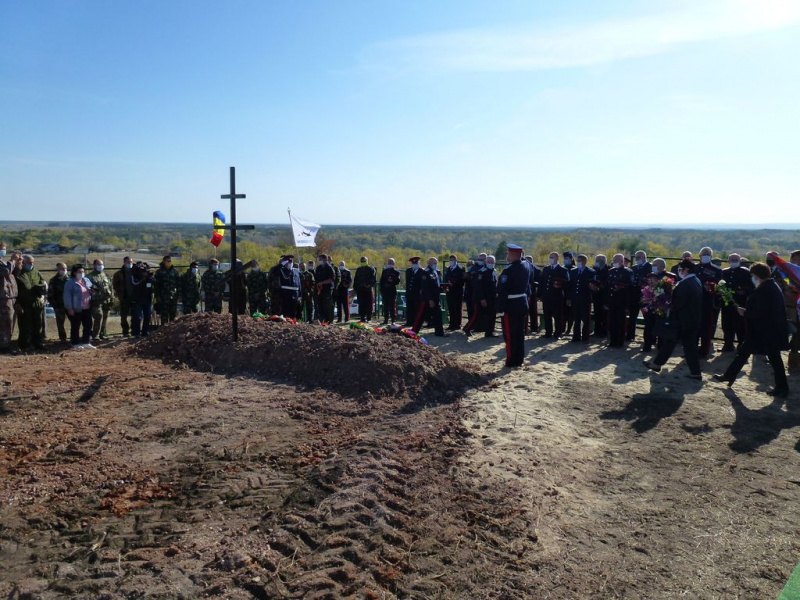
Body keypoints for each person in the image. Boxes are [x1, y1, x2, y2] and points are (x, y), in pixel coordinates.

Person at [714, 262, 789, 397]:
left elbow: (761, 312)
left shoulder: (766, 289)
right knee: (744, 353)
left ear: (757, 275)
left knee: (774, 359)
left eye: (753, 275)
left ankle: (782, 388)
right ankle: (729, 376)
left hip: (766, 330)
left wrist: (745, 312)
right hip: (764, 329)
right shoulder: (770, 286)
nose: (752, 278)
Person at [644, 259, 702, 379]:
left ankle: (695, 372)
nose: (679, 271)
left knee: (685, 345)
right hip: (689, 319)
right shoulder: (695, 281)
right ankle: (657, 364)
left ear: (686, 270)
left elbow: (679, 302)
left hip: (684, 320)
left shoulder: (686, 283)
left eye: (681, 269)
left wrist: (666, 306)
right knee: (672, 342)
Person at [497, 244, 532, 367]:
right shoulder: (526, 265)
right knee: (519, 334)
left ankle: (511, 360)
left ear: (512, 255)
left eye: (508, 254)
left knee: (510, 335)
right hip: (522, 303)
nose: (507, 256)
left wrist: (501, 308)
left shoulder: (509, 270)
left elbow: (502, 291)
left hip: (510, 306)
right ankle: (519, 359)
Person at [720, 253, 753, 352]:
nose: (734, 261)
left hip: (740, 303)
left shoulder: (746, 272)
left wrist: (744, 291)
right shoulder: (724, 272)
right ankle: (728, 345)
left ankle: (741, 346)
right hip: (727, 303)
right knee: (726, 324)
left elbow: (751, 287)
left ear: (740, 261)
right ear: (728, 261)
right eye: (732, 259)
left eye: (736, 259)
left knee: (740, 326)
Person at [14, 254, 47, 352]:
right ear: (23, 262)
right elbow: (15, 289)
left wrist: (40, 288)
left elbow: (43, 282)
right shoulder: (18, 273)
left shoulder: (36, 272)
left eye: (32, 262)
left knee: (38, 324)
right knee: (25, 325)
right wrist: (17, 303)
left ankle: (37, 343)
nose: (31, 264)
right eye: (29, 262)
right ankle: (25, 345)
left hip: (36, 302)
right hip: (24, 303)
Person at [696, 246, 723, 357]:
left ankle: (703, 351)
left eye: (708, 254)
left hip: (708, 302)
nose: (706, 256)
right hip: (694, 301)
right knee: (694, 327)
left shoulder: (716, 270)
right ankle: (691, 349)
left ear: (711, 256)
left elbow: (720, 285)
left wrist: (712, 287)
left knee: (706, 328)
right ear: (699, 256)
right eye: (704, 254)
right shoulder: (694, 267)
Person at [463, 255, 498, 338]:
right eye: (489, 261)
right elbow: (478, 287)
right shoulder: (481, 272)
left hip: (491, 297)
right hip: (481, 298)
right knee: (477, 315)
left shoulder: (494, 271)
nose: (490, 263)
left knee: (492, 315)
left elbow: (495, 284)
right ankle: (467, 328)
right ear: (485, 262)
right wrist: (482, 299)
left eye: (492, 262)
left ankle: (489, 332)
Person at [640, 258, 670, 352]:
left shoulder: (669, 276)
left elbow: (669, 292)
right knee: (648, 326)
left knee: (661, 327)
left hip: (662, 306)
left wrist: (658, 292)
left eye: (655, 265)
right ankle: (647, 346)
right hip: (650, 305)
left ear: (662, 266)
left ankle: (660, 347)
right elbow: (645, 288)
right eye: (653, 265)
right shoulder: (650, 275)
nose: (653, 267)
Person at [538, 252, 569, 338]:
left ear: (557, 259)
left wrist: (560, 286)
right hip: (546, 296)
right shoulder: (546, 269)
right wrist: (539, 294)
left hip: (557, 297)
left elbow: (567, 283)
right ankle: (548, 332)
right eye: (550, 257)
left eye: (552, 257)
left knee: (557, 316)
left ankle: (558, 333)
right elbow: (542, 282)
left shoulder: (563, 270)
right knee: (547, 315)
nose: (550, 259)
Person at [63, 263, 95, 349]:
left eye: (83, 271)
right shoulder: (70, 283)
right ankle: (75, 343)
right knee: (75, 325)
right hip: (76, 308)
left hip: (87, 307)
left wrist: (93, 291)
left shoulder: (86, 280)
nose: (82, 273)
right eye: (79, 272)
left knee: (88, 325)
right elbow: (67, 296)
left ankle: (86, 341)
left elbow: (90, 289)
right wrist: (69, 308)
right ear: (74, 272)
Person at [411, 257, 445, 336]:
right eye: (434, 263)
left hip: (435, 297)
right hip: (427, 299)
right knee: (421, 315)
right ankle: (413, 331)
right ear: (430, 263)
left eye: (436, 263)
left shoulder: (435, 272)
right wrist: (430, 299)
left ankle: (439, 332)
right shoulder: (426, 272)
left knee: (438, 315)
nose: (436, 265)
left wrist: (442, 290)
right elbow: (425, 287)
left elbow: (436, 285)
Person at [606, 253, 633, 347]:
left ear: (622, 261)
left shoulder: (628, 272)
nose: (614, 262)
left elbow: (630, 288)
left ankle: (620, 342)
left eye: (616, 260)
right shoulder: (611, 271)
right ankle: (612, 341)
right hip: (612, 299)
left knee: (621, 322)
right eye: (613, 260)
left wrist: (627, 304)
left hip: (622, 300)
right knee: (612, 321)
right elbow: (608, 286)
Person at [568, 254, 596, 343]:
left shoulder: (591, 272)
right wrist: (569, 298)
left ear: (584, 261)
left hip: (585, 298)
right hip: (575, 298)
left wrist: (591, 287)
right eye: (577, 261)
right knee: (576, 318)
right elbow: (570, 286)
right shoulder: (573, 271)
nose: (578, 262)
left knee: (585, 319)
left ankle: (585, 337)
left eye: (580, 261)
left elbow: (593, 285)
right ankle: (576, 336)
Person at [87, 258, 114, 340]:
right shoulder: (89, 277)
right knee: (98, 316)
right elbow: (88, 290)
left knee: (105, 317)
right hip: (96, 301)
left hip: (107, 300)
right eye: (98, 264)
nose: (101, 266)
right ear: (94, 266)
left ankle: (103, 333)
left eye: (101, 264)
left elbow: (110, 287)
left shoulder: (106, 276)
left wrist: (112, 298)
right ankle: (95, 335)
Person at [627, 250, 652, 341]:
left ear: (644, 257)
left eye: (639, 257)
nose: (637, 259)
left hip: (645, 296)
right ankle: (630, 335)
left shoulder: (650, 267)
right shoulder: (634, 268)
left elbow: (650, 281)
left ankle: (649, 338)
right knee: (632, 317)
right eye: (636, 257)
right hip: (634, 295)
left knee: (647, 318)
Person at [0, 242, 19, 354]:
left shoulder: (4, 262)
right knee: (5, 321)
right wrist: (12, 261)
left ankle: (6, 343)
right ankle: (4, 346)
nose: (3, 251)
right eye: (2, 249)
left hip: (10, 296)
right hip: (3, 297)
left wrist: (17, 264)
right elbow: (5, 272)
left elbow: (13, 274)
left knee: (10, 321)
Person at [130, 261, 155, 337]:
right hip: (138, 299)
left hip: (147, 299)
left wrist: (149, 279)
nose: (145, 273)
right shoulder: (135, 276)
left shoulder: (149, 278)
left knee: (148, 316)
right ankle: (137, 332)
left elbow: (154, 283)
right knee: (138, 317)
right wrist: (142, 280)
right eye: (143, 272)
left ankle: (145, 331)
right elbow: (134, 284)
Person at [154, 255, 181, 323]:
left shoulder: (174, 272)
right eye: (167, 261)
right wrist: (157, 297)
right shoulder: (159, 272)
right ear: (164, 262)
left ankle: (172, 331)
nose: (169, 262)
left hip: (173, 297)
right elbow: (156, 285)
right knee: (164, 315)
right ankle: (164, 331)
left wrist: (178, 295)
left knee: (173, 315)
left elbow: (178, 284)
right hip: (163, 297)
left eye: (170, 261)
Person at [112, 257, 135, 336]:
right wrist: (120, 294)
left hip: (134, 297)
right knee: (124, 316)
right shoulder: (118, 274)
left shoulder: (135, 272)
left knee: (134, 315)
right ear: (124, 262)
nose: (130, 263)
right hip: (124, 298)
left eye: (131, 262)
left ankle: (134, 330)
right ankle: (125, 331)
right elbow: (115, 286)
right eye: (128, 262)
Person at [47, 262, 69, 342]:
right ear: (58, 269)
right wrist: (55, 305)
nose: (64, 270)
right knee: (60, 323)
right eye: (62, 269)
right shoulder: (53, 280)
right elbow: (50, 294)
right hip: (59, 305)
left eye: (65, 268)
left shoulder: (70, 279)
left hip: (69, 305)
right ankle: (63, 338)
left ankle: (74, 337)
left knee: (74, 322)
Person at [443, 254, 465, 331]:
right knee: (451, 308)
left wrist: (454, 283)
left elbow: (462, 281)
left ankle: (458, 324)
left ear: (456, 260)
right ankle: (451, 324)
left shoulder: (460, 268)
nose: (451, 261)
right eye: (451, 260)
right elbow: (445, 279)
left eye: (453, 260)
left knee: (457, 308)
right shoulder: (448, 269)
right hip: (449, 292)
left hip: (457, 291)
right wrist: (445, 287)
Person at [464, 254, 485, 326]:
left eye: (482, 260)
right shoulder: (474, 268)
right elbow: (469, 278)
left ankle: (480, 325)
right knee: (472, 311)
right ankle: (471, 326)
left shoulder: (486, 268)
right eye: (479, 259)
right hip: (472, 292)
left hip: (482, 293)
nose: (480, 261)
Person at [354, 256, 377, 322]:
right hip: (360, 289)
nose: (363, 262)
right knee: (361, 304)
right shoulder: (359, 269)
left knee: (369, 304)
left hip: (368, 289)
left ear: (367, 261)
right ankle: (362, 317)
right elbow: (356, 279)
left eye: (364, 261)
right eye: (362, 261)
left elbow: (373, 279)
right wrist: (355, 288)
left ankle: (369, 318)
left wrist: (369, 285)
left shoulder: (371, 269)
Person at [591, 254, 609, 338]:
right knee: (597, 313)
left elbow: (608, 282)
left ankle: (604, 331)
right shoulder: (594, 269)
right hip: (596, 294)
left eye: (597, 260)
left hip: (604, 295)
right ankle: (596, 331)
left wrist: (602, 285)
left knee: (604, 314)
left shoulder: (608, 269)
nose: (596, 262)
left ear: (603, 261)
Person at [379, 258, 401, 325]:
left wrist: (392, 282)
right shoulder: (384, 271)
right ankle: (385, 320)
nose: (390, 264)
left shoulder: (396, 272)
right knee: (385, 306)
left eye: (391, 262)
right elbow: (381, 281)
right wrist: (382, 289)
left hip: (392, 291)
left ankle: (393, 320)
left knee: (392, 306)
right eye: (389, 262)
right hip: (385, 291)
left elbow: (398, 281)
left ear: (394, 264)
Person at [315, 254, 336, 323]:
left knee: (328, 305)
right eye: (319, 259)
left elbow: (332, 279)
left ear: (325, 260)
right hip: (319, 290)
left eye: (321, 259)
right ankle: (322, 319)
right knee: (320, 305)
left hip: (327, 289)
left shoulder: (329, 268)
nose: (319, 261)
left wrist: (322, 283)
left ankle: (329, 320)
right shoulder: (318, 268)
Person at [562, 251, 577, 336]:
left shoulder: (574, 269)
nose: (565, 260)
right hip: (562, 294)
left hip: (571, 295)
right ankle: (563, 329)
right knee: (563, 313)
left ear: (571, 259)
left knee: (571, 314)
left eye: (567, 258)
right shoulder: (563, 268)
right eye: (564, 258)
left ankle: (568, 329)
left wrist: (569, 297)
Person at [524, 256, 540, 335]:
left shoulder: (536, 269)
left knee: (533, 311)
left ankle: (534, 328)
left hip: (532, 291)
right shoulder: (523, 268)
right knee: (525, 311)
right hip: (524, 292)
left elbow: (539, 281)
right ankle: (525, 328)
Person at [404, 257, 423, 327]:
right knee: (409, 308)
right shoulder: (408, 271)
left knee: (417, 309)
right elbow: (408, 283)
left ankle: (416, 323)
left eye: (416, 263)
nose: (415, 264)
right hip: (410, 293)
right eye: (413, 263)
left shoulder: (421, 271)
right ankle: (409, 321)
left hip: (417, 293)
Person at [335, 259, 351, 323]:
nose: (341, 265)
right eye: (341, 264)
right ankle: (339, 319)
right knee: (338, 306)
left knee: (346, 306)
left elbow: (350, 281)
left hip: (344, 290)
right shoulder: (337, 271)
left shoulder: (348, 272)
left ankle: (347, 319)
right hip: (338, 290)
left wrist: (346, 285)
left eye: (343, 264)